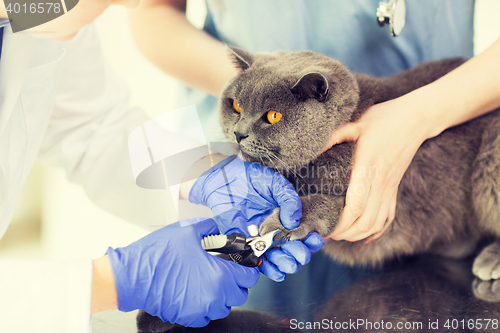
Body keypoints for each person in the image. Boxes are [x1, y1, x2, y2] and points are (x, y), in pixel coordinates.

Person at [128, 0, 500, 318]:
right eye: (237, 111)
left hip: (452, 103)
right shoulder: (249, 130)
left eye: (264, 116)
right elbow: (152, 9)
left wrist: (417, 117)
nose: (241, 129)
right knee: (232, 286)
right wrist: (258, 85)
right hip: (254, 103)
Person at [0, 1, 322, 331]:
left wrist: (207, 176)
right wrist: (113, 282)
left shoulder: (36, 16)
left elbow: (93, 126)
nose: (133, 3)